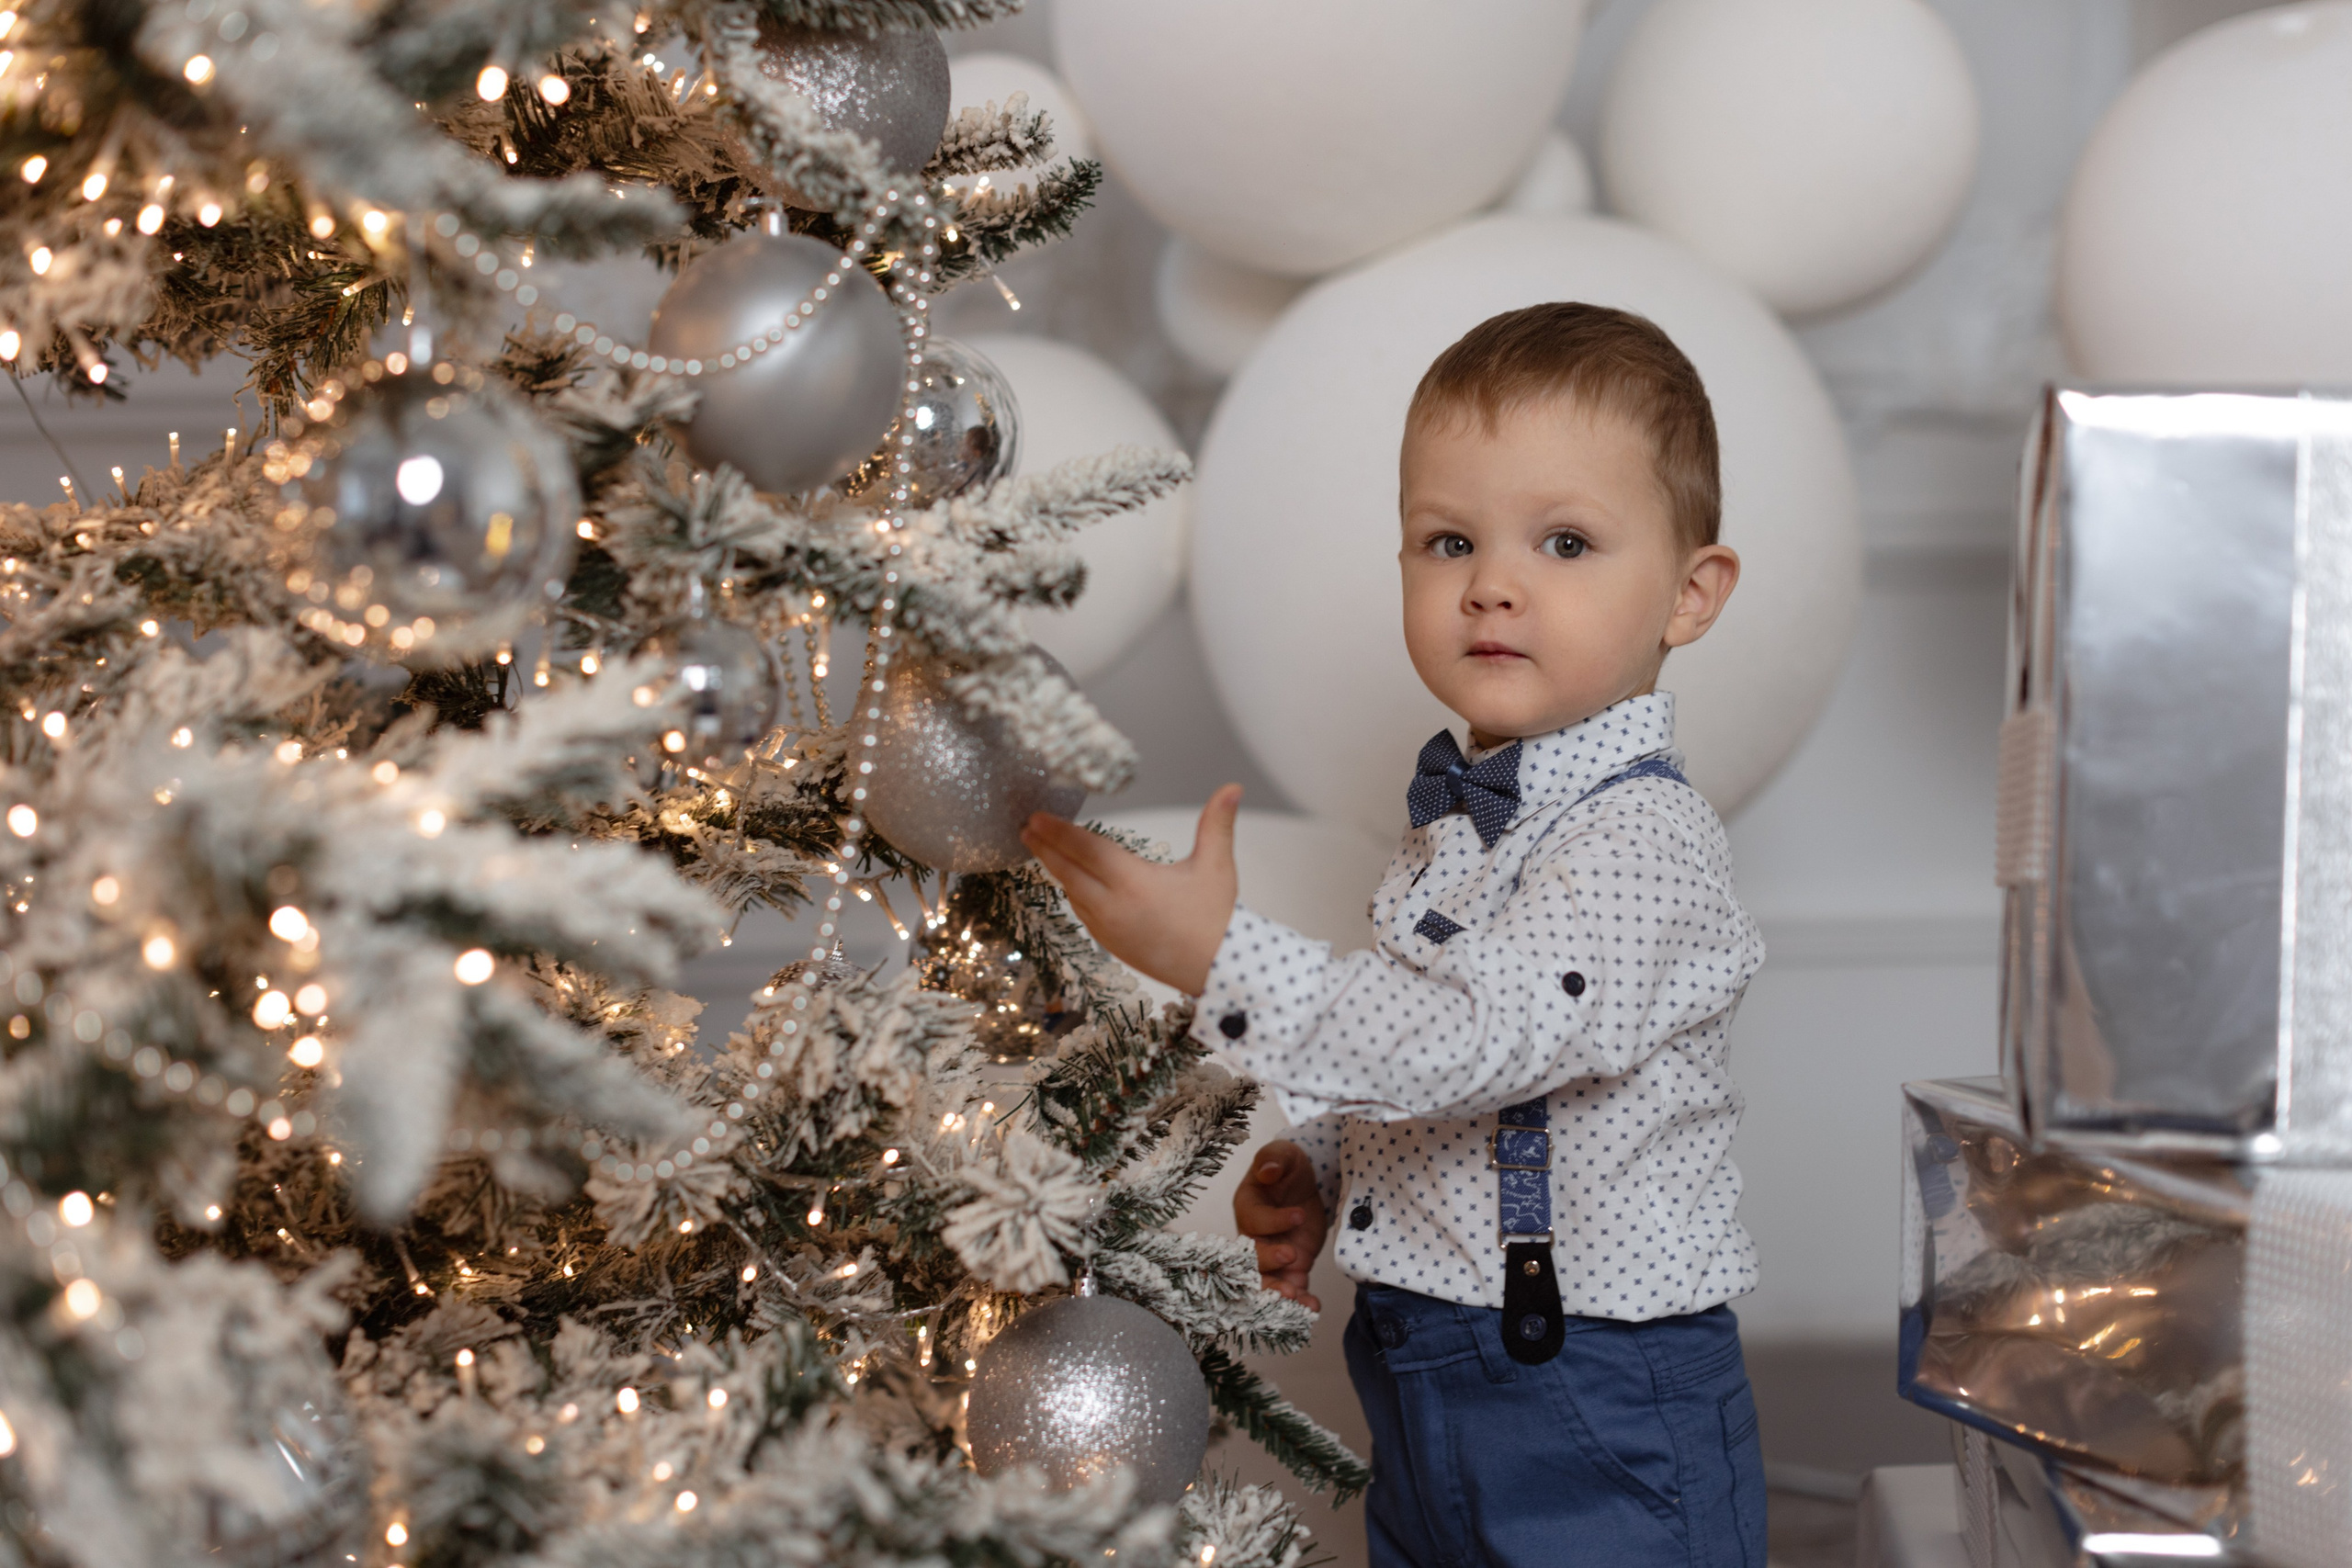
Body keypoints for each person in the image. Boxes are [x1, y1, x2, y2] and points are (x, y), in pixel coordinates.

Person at [1022, 301, 1768, 1567]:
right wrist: (1328, 1166)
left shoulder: (1641, 840)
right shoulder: (1461, 828)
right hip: (1426, 1362)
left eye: (1566, 542)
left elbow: (1480, 1039)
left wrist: (1224, 959)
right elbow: (1426, 1052)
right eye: (1448, 540)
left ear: (1690, 596)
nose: (1492, 582)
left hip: (1594, 1392)